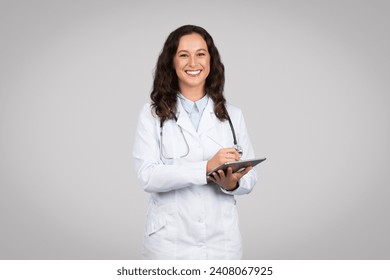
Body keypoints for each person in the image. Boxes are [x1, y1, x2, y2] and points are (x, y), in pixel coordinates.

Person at [133, 25, 258, 259]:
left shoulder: (233, 115)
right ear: (171, 61)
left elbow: (250, 177)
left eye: (201, 54)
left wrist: (232, 184)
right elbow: (147, 176)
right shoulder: (152, 115)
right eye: (183, 55)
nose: (193, 62)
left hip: (221, 243)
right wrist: (205, 168)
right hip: (169, 243)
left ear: (211, 60)